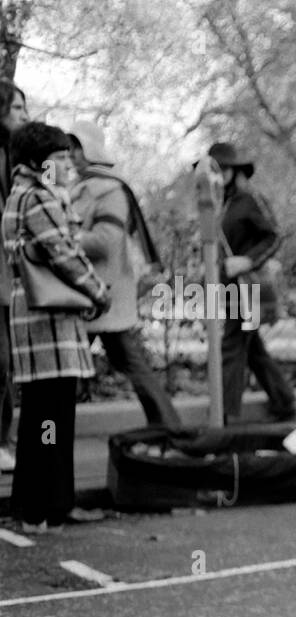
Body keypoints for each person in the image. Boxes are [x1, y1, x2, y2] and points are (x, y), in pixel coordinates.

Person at [2, 123, 111, 531]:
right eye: (59, 157)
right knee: (54, 419)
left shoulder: (18, 194)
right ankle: (53, 504)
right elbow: (63, 252)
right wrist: (99, 290)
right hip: (50, 321)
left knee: (38, 417)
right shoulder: (40, 197)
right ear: (37, 162)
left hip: (29, 316)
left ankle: (31, 508)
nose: (67, 164)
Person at [65, 123, 179, 432]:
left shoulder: (110, 190)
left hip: (104, 294)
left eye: (76, 147)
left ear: (90, 148)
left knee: (76, 366)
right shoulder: (80, 187)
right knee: (70, 367)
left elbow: (106, 241)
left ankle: (169, 427)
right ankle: (168, 425)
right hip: (85, 293)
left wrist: (62, 239)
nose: (71, 154)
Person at [207, 141, 296, 425]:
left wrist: (247, 260)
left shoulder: (250, 200)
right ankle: (284, 402)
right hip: (232, 287)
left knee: (232, 345)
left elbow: (274, 236)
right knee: (252, 349)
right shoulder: (222, 203)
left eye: (221, 169)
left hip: (249, 287)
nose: (217, 175)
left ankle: (224, 415)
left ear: (235, 170)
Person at [0, 79, 30, 473]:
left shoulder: (22, 157)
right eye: (17, 108)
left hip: (9, 274)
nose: (24, 115)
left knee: (6, 360)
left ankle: (5, 440)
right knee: (3, 359)